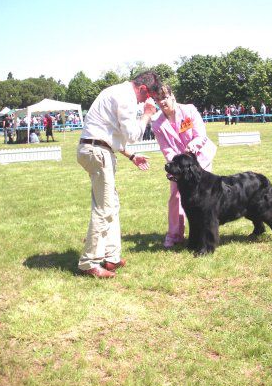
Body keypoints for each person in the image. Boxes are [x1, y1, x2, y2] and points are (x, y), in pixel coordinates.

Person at [77, 71, 161, 278]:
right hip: (98, 152)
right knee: (104, 208)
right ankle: (90, 263)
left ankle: (112, 257)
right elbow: (131, 135)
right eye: (147, 96)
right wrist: (147, 114)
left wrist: (131, 156)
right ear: (142, 88)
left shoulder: (117, 92)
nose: (147, 101)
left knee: (112, 205)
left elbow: (109, 134)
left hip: (97, 149)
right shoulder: (126, 97)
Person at [151, 85, 217, 248]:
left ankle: (205, 232)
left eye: (164, 97)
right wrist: (177, 163)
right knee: (176, 196)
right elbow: (166, 147)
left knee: (203, 197)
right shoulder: (156, 123)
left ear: (172, 96)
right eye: (158, 99)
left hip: (200, 158)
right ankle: (174, 235)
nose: (162, 102)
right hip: (179, 165)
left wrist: (193, 145)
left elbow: (200, 134)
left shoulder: (189, 110)